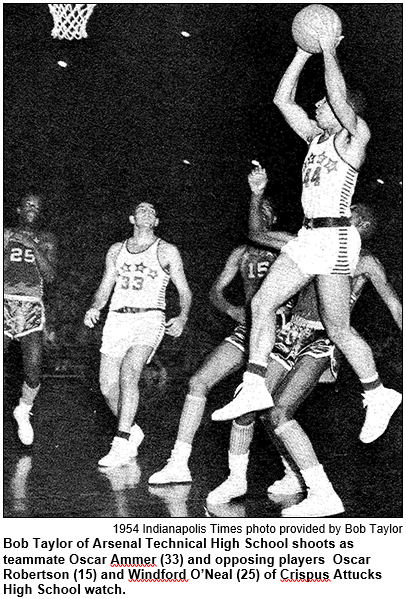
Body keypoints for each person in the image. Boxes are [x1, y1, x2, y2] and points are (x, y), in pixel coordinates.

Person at [211, 23, 402, 442]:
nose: (316, 105)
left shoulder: (354, 137)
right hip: (308, 237)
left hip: (334, 237)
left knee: (337, 328)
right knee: (262, 302)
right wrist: (302, 50)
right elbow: (282, 99)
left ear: (342, 109)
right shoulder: (315, 138)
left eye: (324, 103)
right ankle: (256, 383)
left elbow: (336, 95)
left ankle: (378, 393)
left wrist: (329, 50)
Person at [209, 203, 402, 517]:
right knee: (246, 402)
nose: (341, 211)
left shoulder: (365, 261)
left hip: (322, 339)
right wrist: (256, 196)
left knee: (280, 412)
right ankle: (236, 479)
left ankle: (322, 491)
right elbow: (257, 233)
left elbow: (394, 303)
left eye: (351, 210)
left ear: (361, 223)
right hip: (290, 331)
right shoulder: (311, 242)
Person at [148, 167, 291, 486]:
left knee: (263, 409)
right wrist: (231, 308)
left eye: (267, 210)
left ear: (274, 219)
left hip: (278, 335)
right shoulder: (240, 253)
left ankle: (291, 470)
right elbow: (214, 291)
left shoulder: (287, 248)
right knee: (198, 381)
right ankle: (178, 462)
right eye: (257, 208)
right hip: (246, 331)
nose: (260, 214)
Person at [84, 201, 192, 468]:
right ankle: (132, 429)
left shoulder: (167, 250)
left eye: (152, 211)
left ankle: (120, 442)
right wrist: (94, 307)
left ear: (156, 222)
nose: (147, 213)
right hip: (117, 318)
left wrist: (182, 316)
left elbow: (185, 292)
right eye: (141, 209)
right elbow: (105, 286)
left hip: (149, 317)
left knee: (129, 372)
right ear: (132, 218)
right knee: (107, 387)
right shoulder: (116, 250)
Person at [4, 193, 57, 446]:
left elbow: (50, 276)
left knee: (33, 370)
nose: (31, 208)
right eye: (27, 204)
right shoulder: (5, 233)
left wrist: (31, 244)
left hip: (31, 305)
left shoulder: (47, 239)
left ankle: (23, 410)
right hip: (5, 300)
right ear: (18, 209)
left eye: (37, 206)